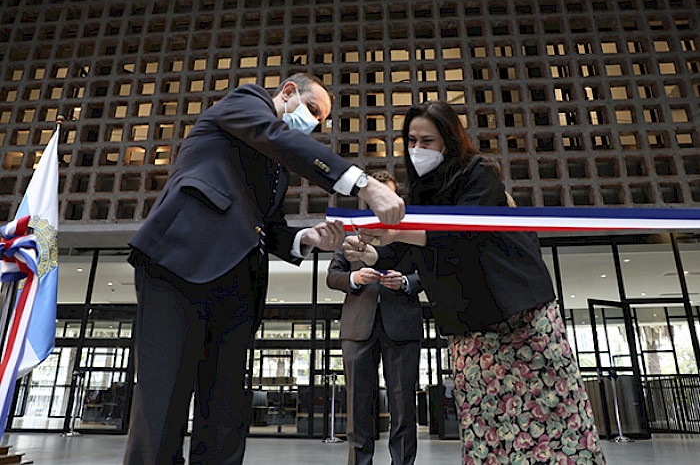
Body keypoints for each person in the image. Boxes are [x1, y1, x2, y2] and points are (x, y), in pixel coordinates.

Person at [124, 73, 405, 465]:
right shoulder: (245, 103)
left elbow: (267, 226)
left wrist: (307, 239)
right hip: (181, 262)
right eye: (312, 110)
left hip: (237, 283)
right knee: (163, 397)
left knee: (224, 407)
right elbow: (277, 136)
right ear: (288, 92)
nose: (313, 123)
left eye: (320, 120)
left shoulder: (277, 170)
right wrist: (362, 184)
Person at [343, 101, 606, 464]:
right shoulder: (419, 193)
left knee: (550, 422)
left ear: (450, 140)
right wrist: (370, 252)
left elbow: (464, 235)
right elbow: (413, 250)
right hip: (470, 327)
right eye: (411, 140)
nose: (417, 149)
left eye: (428, 140)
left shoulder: (479, 173)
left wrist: (396, 232)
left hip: (517, 317)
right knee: (489, 429)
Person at [326, 171, 422, 465]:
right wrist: (353, 277)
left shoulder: (411, 234)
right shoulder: (349, 233)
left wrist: (406, 281)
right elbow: (333, 276)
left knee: (404, 404)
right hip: (358, 327)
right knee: (358, 406)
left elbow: (429, 274)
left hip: (402, 325)